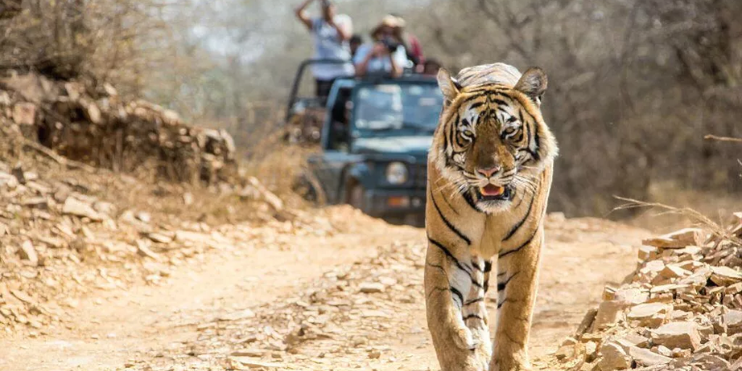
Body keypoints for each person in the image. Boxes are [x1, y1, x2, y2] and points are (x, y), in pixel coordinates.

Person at [295, 0, 354, 99]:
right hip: (322, 72)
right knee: (323, 104)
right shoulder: (316, 23)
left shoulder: (343, 19)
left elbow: (346, 36)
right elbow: (298, 12)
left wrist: (332, 21)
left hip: (342, 71)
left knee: (343, 103)